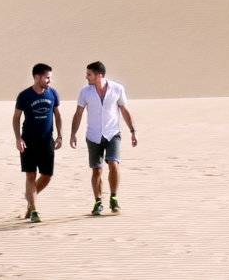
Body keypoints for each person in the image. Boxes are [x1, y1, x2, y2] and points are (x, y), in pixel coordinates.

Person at [69, 60, 138, 215]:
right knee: (97, 170)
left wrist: (133, 131)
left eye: (89, 74)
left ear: (99, 75)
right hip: (93, 136)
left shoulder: (117, 88)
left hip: (112, 133)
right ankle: (98, 202)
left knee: (113, 163)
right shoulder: (85, 92)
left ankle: (113, 198)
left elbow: (124, 110)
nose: (86, 77)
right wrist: (73, 133)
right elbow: (78, 113)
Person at [12, 62, 64, 223]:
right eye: (47, 78)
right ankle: (34, 210)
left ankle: (30, 197)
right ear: (37, 77)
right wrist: (18, 138)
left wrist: (60, 135)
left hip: (47, 141)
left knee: (47, 175)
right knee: (30, 175)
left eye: (50, 78)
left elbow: (58, 115)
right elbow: (16, 118)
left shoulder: (53, 93)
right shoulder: (24, 95)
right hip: (28, 141)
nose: (49, 81)